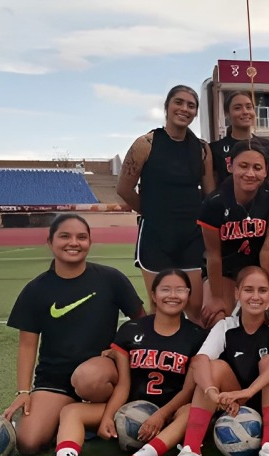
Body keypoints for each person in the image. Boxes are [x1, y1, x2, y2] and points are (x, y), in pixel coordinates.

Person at [26, 269, 205, 456]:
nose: (173, 295)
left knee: (191, 412)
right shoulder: (132, 330)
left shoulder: (197, 336)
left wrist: (161, 415)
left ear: (188, 295)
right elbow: (123, 384)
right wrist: (109, 416)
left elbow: (189, 389)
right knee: (72, 411)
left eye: (180, 290)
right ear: (153, 294)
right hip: (131, 405)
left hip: (170, 410)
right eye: (166, 289)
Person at [3, 214, 145, 455]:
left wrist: (120, 349)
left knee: (87, 378)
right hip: (55, 380)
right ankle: (76, 413)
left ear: (90, 242)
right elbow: (27, 346)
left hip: (99, 375)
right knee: (28, 442)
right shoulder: (36, 289)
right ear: (50, 242)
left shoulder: (110, 279)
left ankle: (106, 408)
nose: (74, 243)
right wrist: (23, 392)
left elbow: (142, 324)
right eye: (64, 236)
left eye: (81, 237)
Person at [161, 266, 269, 456]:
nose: (255, 296)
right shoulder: (226, 326)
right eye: (248, 290)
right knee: (211, 367)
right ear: (237, 293)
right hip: (239, 403)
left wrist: (249, 391)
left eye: (262, 290)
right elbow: (200, 360)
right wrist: (211, 392)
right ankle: (191, 451)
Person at [116, 85, 215, 322]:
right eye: (179, 102)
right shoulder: (146, 144)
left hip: (191, 235)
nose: (184, 109)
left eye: (191, 105)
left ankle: (194, 356)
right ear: (167, 107)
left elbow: (210, 195)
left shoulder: (202, 149)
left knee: (194, 306)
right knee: (160, 305)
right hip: (156, 236)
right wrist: (150, 211)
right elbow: (124, 188)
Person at [198, 139, 269, 326]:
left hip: (260, 264)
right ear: (230, 166)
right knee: (217, 316)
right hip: (226, 267)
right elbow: (214, 255)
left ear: (265, 171)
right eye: (243, 166)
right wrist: (216, 297)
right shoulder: (214, 203)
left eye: (257, 167)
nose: (250, 173)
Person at [208, 90, 269, 188]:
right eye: (238, 108)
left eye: (249, 107)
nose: (245, 112)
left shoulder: (267, 146)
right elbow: (212, 187)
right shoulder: (215, 149)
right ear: (227, 114)